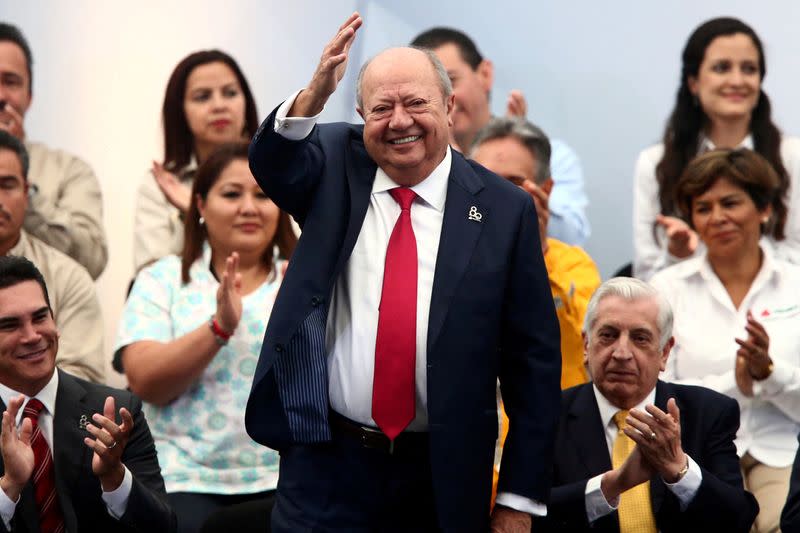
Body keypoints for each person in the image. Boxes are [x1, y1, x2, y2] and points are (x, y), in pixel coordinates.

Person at [245, 13, 561, 533]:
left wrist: (518, 501)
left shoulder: (505, 210)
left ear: (451, 107)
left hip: (442, 472)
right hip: (327, 463)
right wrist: (312, 98)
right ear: (359, 115)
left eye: (416, 103)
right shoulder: (332, 163)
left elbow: (533, 367)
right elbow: (272, 164)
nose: (400, 121)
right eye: (382, 108)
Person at [117, 143, 296, 533]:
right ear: (199, 205)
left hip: (286, 477)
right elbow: (145, 381)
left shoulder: (301, 280)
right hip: (183, 478)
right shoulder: (162, 280)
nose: (249, 207)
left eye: (263, 194)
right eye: (232, 194)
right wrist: (218, 328)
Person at [650, 149, 800, 532]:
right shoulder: (667, 289)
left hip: (783, 450)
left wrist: (769, 373)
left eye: (731, 203)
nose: (717, 218)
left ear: (765, 209)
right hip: (696, 453)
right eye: (703, 207)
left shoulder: (796, 285)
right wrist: (740, 381)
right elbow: (660, 393)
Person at [537, 277, 757, 531]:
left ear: (664, 352)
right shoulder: (548, 415)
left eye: (640, 338)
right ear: (586, 345)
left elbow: (739, 520)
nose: (622, 353)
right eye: (608, 335)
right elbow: (526, 516)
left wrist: (680, 470)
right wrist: (611, 486)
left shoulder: (708, 413)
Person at [0, 255, 175, 532]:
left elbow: (163, 527)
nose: (32, 335)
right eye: (10, 325)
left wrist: (115, 477)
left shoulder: (117, 412)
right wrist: (9, 487)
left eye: (40, 317)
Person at [633, 16, 800, 281]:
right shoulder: (655, 163)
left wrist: (735, 247)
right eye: (722, 68)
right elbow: (646, 276)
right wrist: (679, 255)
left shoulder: (792, 156)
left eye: (749, 69)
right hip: (685, 312)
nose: (737, 80)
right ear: (693, 82)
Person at [411, 26, 590, 246]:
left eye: (451, 81)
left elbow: (572, 239)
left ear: (485, 73)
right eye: (426, 91)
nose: (443, 99)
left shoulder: (554, 155)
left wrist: (522, 161)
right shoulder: (408, 164)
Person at [471, 117, 600, 389]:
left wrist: (537, 251)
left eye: (513, 182)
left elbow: (581, 350)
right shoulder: (441, 257)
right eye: (485, 180)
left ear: (546, 189)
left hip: (553, 422)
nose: (497, 195)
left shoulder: (575, 265)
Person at [133, 50, 259, 272]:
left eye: (230, 93)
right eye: (203, 96)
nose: (219, 105)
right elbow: (150, 277)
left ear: (245, 103)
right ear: (180, 111)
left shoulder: (275, 171)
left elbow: (293, 255)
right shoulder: (161, 184)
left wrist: (195, 210)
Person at [0, 23, 107, 279]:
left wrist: (24, 188)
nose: (0, 95)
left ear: (30, 96)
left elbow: (91, 261)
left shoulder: (70, 171)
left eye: (10, 82)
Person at [0, 130, 104, 383]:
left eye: (7, 185)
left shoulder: (68, 278)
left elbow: (82, 382)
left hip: (42, 420)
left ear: (27, 193)